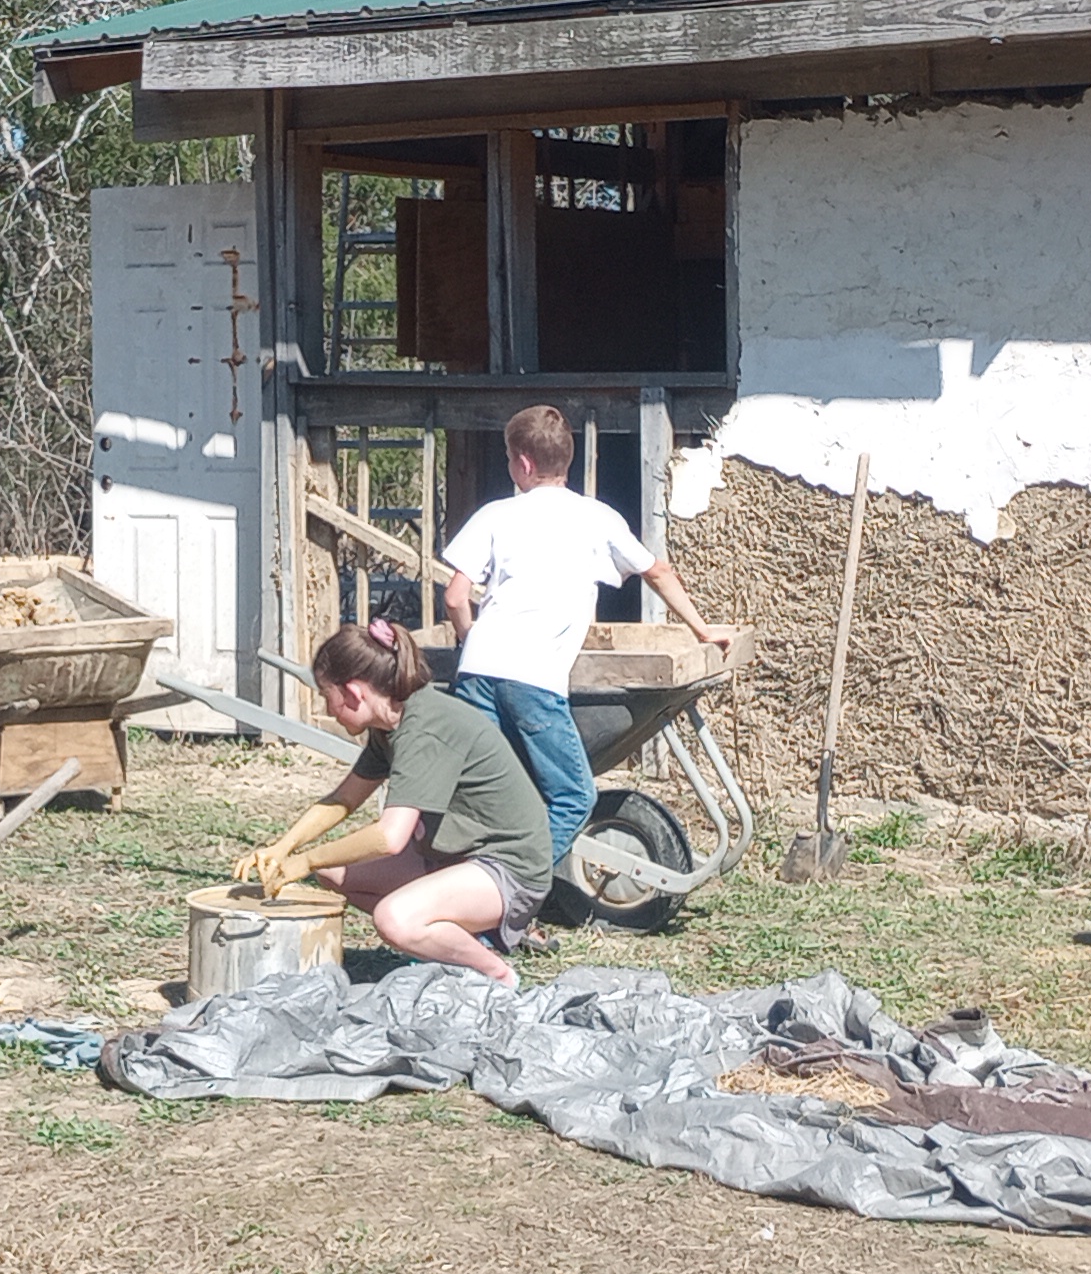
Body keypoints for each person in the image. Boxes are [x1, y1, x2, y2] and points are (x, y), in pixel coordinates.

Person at [440, 404, 733, 860]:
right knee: (574, 798)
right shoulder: (597, 517)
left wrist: (468, 640)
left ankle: (466, 876)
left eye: (508, 458)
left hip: (477, 673)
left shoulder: (495, 514)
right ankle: (514, 884)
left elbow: (456, 597)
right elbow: (657, 571)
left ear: (523, 463)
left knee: (484, 792)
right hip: (533, 678)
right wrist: (701, 628)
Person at [236, 621, 554, 986]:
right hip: (455, 855)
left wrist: (306, 860)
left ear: (353, 693)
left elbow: (390, 838)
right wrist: (282, 847)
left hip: (510, 869)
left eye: (327, 696)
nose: (328, 708)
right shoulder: (389, 726)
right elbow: (343, 799)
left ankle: (495, 974)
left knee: (393, 920)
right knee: (332, 872)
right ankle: (442, 940)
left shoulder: (424, 728)